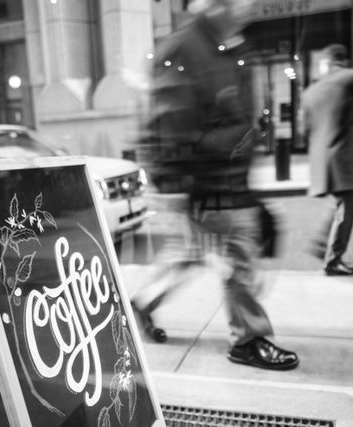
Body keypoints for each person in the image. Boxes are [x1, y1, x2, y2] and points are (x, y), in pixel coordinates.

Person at [132, 0, 299, 371]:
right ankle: (248, 340)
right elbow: (168, 121)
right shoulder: (185, 48)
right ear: (212, 5)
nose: (247, 8)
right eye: (236, 2)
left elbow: (233, 117)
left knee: (190, 254)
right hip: (207, 182)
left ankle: (143, 302)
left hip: (224, 178)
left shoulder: (227, 47)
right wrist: (178, 186)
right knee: (239, 256)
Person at [300, 44, 353, 276]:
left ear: (326, 63)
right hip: (345, 155)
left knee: (338, 204)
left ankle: (320, 245)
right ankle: (333, 261)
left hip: (322, 158)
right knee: (347, 208)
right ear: (343, 60)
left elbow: (305, 130)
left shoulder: (310, 92)